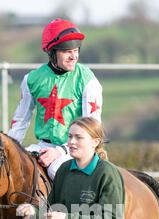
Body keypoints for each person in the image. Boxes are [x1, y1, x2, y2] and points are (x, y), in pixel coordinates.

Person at [8, 18, 102, 180]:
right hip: (42, 146)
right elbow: (20, 120)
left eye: (76, 50)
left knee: (56, 170)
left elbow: (92, 129)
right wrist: (9, 150)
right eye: (67, 51)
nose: (74, 56)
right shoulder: (32, 79)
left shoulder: (88, 80)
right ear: (52, 53)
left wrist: (61, 151)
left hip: (76, 148)